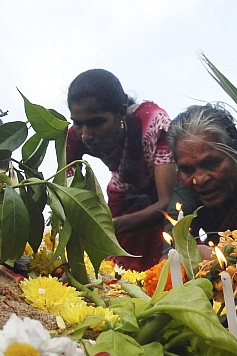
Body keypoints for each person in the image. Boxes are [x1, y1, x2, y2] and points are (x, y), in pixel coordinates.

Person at [65, 69, 175, 271]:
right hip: (122, 204)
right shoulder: (75, 136)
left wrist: (107, 227)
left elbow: (167, 201)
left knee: (162, 273)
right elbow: (66, 193)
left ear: (120, 113)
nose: (86, 135)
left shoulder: (152, 123)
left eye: (96, 122)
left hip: (165, 212)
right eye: (78, 123)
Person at [165, 104, 237, 243]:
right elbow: (172, 252)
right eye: (187, 170)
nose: (199, 179)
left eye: (211, 163)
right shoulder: (187, 193)